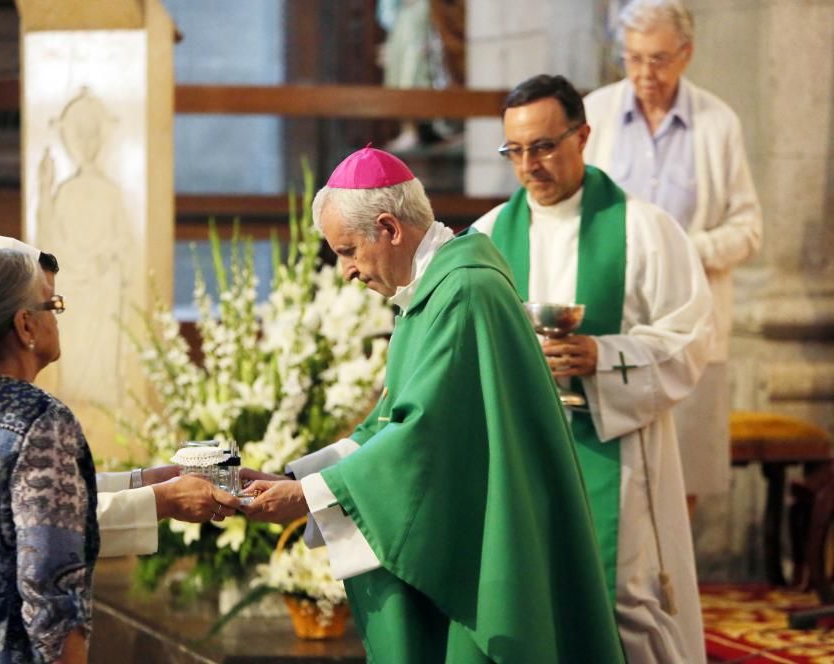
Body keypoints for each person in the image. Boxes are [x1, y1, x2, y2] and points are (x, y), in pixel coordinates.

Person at [241, 146, 624, 663]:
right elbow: (391, 424)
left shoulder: (464, 292)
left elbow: (422, 441)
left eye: (349, 250)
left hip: (485, 549)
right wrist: (300, 481)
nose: (346, 272)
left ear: (390, 228)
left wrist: (312, 496)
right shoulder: (428, 294)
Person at [0, 236, 240, 664]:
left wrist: (141, 482)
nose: (59, 318)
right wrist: (161, 501)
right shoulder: (37, 418)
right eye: (51, 305)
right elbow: (49, 584)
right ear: (24, 326)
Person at [472, 74, 714, 663]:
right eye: (515, 151)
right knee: (530, 591)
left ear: (582, 135)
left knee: (624, 598)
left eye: (544, 146)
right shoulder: (485, 237)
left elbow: (689, 338)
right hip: (519, 449)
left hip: (614, 447)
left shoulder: (643, 229)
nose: (529, 165)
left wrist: (604, 356)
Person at [583, 0, 762, 507]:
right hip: (610, 323)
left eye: (658, 59)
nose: (645, 73)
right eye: (633, 58)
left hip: (692, 325)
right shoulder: (595, 114)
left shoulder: (717, 122)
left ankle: (681, 585)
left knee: (682, 486)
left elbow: (749, 229)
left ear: (686, 54)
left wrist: (684, 251)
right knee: (610, 478)